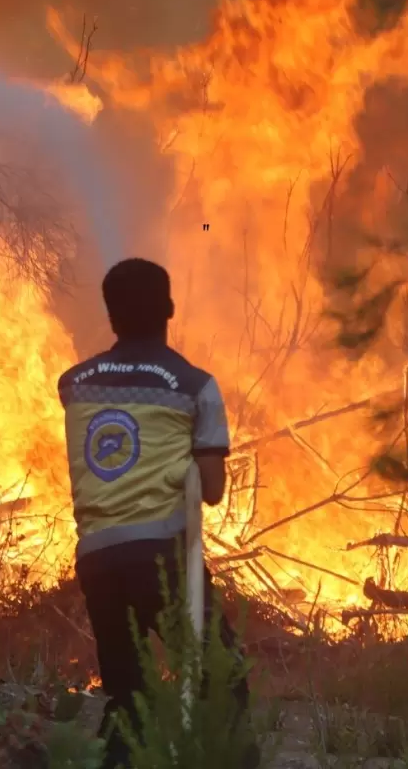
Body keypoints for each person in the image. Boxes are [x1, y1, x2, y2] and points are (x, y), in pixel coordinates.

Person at [57, 258, 256, 769]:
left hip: (96, 559)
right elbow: (211, 490)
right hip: (161, 556)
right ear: (169, 309)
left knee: (128, 695)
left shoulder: (74, 383)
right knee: (222, 671)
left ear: (109, 314)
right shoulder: (194, 385)